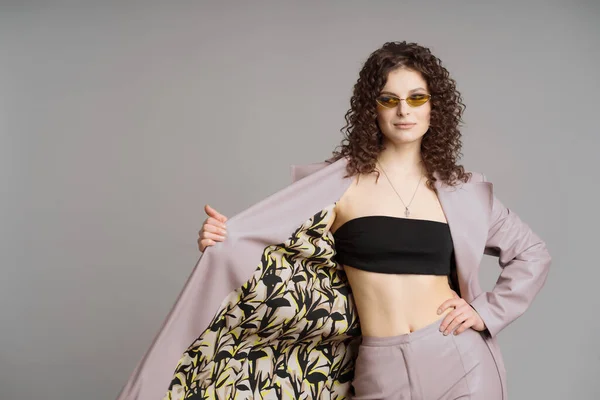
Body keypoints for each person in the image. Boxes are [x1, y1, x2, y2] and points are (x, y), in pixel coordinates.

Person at [195, 41, 551, 400]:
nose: (403, 111)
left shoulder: (463, 190)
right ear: (373, 110)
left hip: (459, 358)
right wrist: (223, 240)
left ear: (433, 108)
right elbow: (266, 254)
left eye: (416, 98)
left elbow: (532, 253)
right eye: (388, 99)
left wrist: (485, 311)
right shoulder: (334, 186)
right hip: (380, 368)